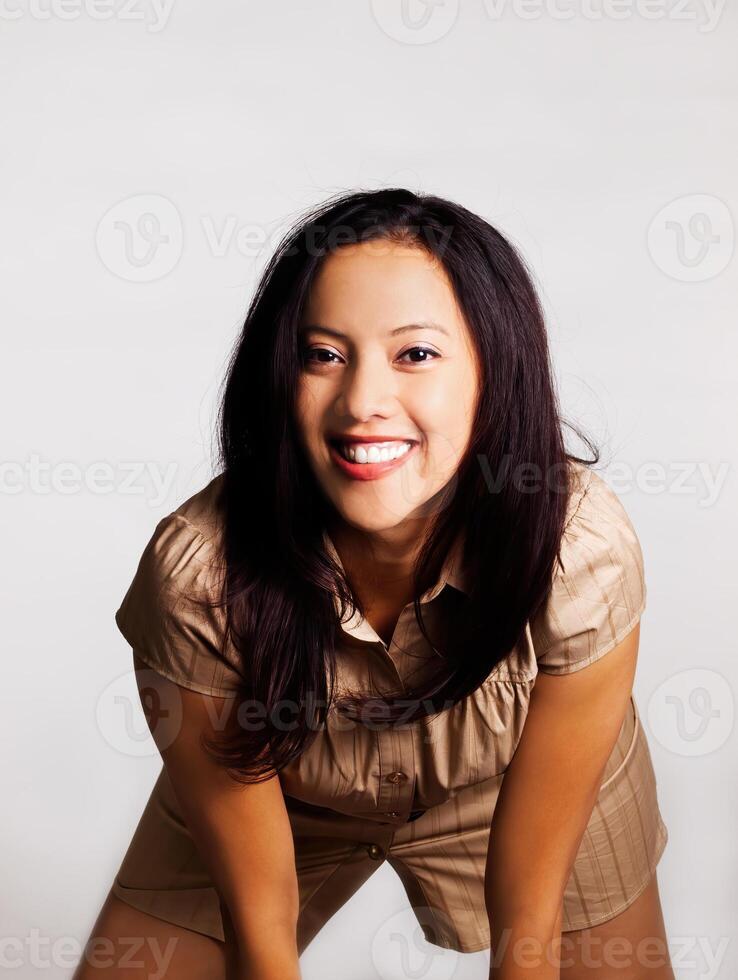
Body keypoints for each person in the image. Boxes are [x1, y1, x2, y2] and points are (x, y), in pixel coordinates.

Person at [75, 188, 672, 979]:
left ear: (495, 370)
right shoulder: (198, 578)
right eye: (323, 354)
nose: (361, 403)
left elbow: (529, 934)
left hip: (510, 778)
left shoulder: (578, 554)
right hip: (280, 782)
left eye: (415, 355)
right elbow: (263, 940)